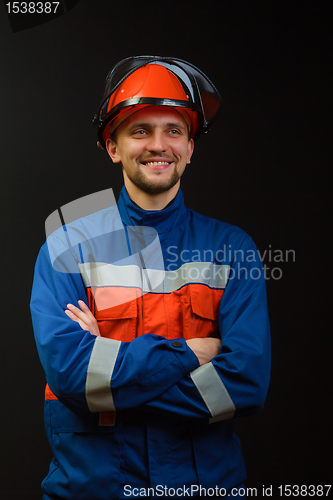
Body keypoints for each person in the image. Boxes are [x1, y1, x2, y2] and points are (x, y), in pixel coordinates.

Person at [31, 56, 271, 500]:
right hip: (93, 490)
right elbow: (70, 376)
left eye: (174, 130)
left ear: (190, 148)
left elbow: (246, 385)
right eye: (140, 130)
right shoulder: (67, 246)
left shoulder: (232, 249)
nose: (158, 144)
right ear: (113, 146)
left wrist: (109, 367)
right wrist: (193, 352)